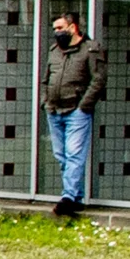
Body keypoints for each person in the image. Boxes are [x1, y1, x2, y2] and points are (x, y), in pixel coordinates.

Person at [43, 12, 103, 219]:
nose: (56, 32)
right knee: (61, 156)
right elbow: (46, 79)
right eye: (55, 29)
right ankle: (75, 199)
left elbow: (98, 80)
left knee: (74, 154)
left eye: (60, 28)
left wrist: (84, 106)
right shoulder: (55, 51)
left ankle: (68, 197)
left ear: (73, 27)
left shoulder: (90, 49)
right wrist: (45, 102)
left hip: (76, 110)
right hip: (54, 109)